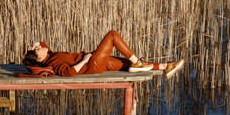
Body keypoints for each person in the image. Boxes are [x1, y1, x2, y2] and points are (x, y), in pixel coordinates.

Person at [23, 30, 184, 79]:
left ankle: (166, 67)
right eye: (37, 49)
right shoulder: (54, 62)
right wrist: (84, 60)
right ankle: (138, 62)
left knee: (127, 65)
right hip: (92, 64)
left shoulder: (50, 56)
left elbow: (45, 46)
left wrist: (35, 45)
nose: (41, 47)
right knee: (112, 35)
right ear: (38, 57)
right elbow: (69, 73)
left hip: (94, 62)